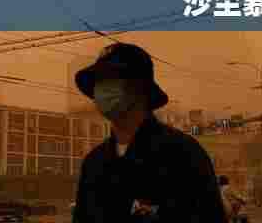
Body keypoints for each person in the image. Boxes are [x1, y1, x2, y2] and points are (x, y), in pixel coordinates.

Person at [72, 42, 227, 223]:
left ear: (140, 87)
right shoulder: (94, 163)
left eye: (111, 79)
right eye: (98, 82)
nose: (101, 90)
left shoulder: (182, 154)